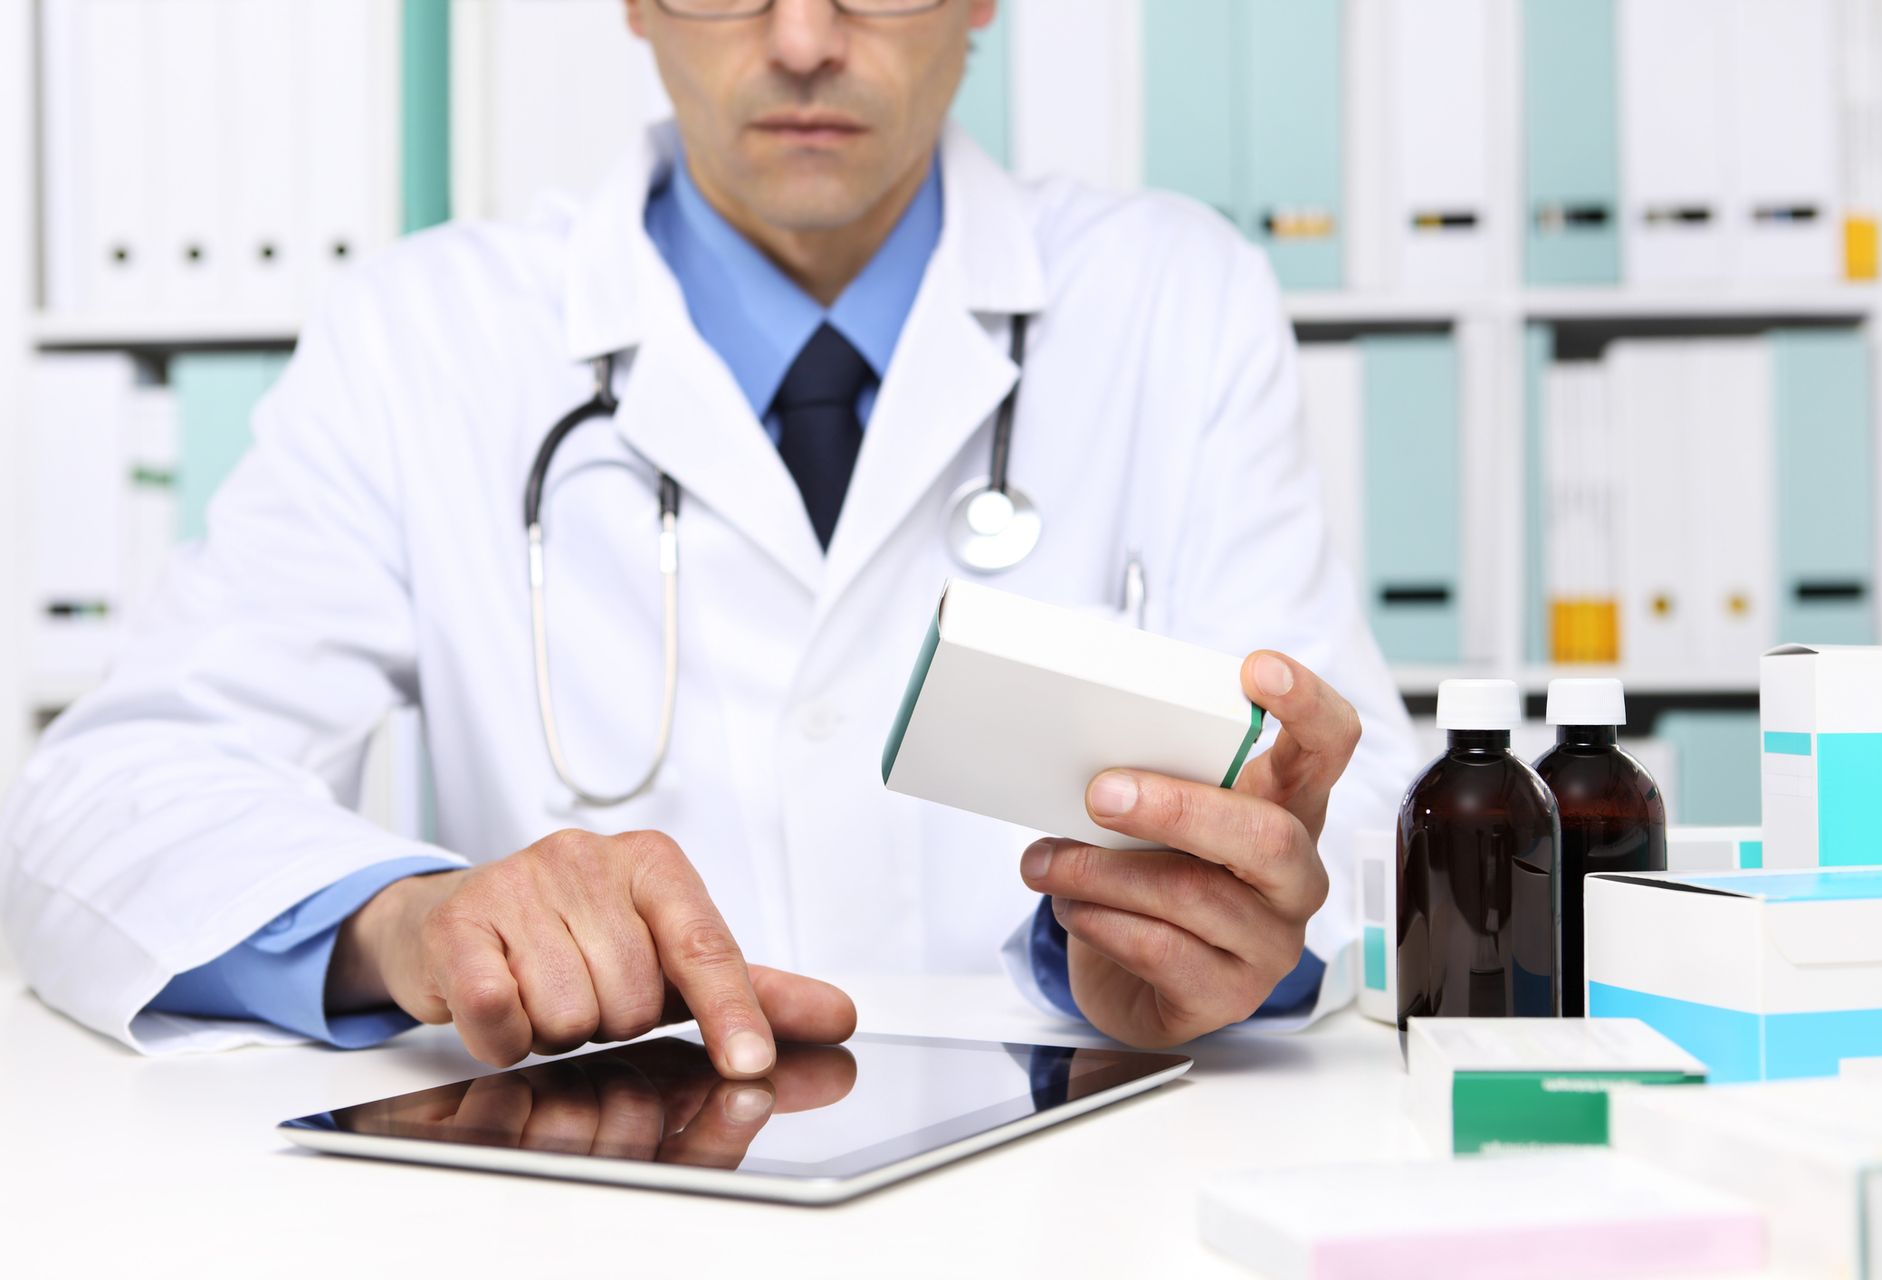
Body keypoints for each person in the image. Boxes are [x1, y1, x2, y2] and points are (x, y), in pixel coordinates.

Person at [0, 0, 1420, 1074]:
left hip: (1066, 1198)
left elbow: (1358, 813)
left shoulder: (1174, 302)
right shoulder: (425, 334)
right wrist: (408, 925)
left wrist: (1197, 943)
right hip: (600, 1215)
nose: (803, 40)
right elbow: (109, 797)